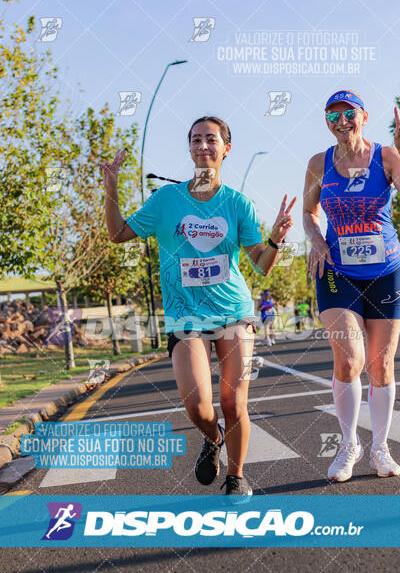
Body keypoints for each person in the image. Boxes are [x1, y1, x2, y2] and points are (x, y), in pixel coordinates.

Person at [102, 116, 295, 496]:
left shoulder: (238, 203)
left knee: (233, 401)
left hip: (233, 311)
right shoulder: (166, 201)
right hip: (185, 314)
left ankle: (236, 478)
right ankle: (213, 437)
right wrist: (110, 187)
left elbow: (260, 263)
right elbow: (116, 233)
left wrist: (274, 240)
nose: (203, 145)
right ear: (189, 148)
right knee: (197, 405)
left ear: (226, 148)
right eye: (196, 139)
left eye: (211, 139)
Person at [303, 90, 400, 482]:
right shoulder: (318, 163)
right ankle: (349, 444)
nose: (341, 121)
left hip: (386, 269)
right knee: (349, 359)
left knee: (381, 363)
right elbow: (310, 213)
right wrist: (317, 241)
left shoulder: (387, 157)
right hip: (337, 268)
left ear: (363, 116)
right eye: (332, 115)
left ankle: (379, 446)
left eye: (348, 113)